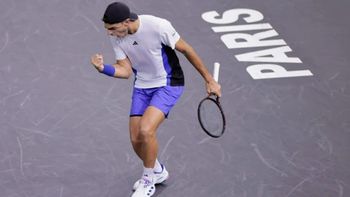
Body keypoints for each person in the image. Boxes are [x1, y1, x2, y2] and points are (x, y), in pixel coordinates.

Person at [90, 2, 221, 197]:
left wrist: (209, 79)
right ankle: (158, 171)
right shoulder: (118, 36)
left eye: (113, 28)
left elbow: (186, 50)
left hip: (168, 82)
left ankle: (148, 180)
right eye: (108, 29)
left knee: (146, 129)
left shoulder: (157, 26)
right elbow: (125, 71)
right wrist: (103, 69)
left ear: (127, 22)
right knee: (136, 139)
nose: (110, 33)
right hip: (142, 86)